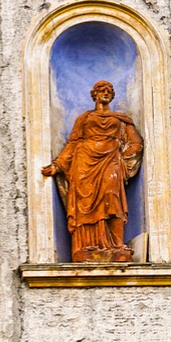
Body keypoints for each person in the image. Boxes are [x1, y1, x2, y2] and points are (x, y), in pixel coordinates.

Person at [41, 80, 144, 262]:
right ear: (94, 94)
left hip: (111, 161)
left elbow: (136, 143)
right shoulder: (84, 118)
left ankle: (116, 245)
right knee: (85, 204)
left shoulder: (121, 120)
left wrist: (123, 157)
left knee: (113, 199)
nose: (105, 93)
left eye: (109, 91)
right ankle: (86, 247)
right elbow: (73, 143)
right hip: (84, 162)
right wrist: (57, 165)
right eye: (101, 90)